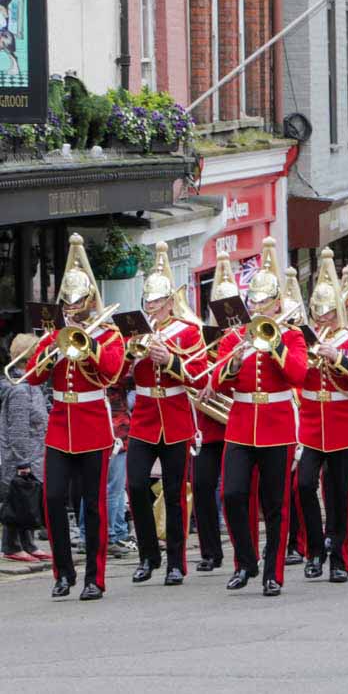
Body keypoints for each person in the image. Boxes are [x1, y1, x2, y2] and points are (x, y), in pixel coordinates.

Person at [28, 234, 126, 600]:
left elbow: (112, 372)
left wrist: (88, 345)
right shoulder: (54, 334)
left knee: (94, 505)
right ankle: (63, 572)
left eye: (76, 303)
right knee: (53, 500)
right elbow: (34, 376)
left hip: (93, 425)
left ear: (89, 301)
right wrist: (51, 351)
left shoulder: (108, 334)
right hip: (60, 427)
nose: (71, 309)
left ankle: (94, 577)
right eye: (66, 304)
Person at [215, 237, 308, 597]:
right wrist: (235, 361)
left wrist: (276, 346)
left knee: (275, 504)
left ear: (277, 304)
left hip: (278, 425)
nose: (256, 309)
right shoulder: (233, 337)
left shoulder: (292, 336)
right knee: (234, 494)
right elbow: (217, 382)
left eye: (262, 302)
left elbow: (298, 375)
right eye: (252, 302)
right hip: (241, 425)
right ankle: (245, 561)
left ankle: (274, 572)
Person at [123, 243, 207, 587]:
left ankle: (176, 561)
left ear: (170, 302)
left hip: (174, 416)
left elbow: (200, 376)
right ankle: (148, 555)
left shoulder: (188, 331)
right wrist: (131, 356)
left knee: (174, 493)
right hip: (143, 417)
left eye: (157, 302)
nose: (152, 308)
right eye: (148, 302)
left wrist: (169, 360)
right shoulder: (136, 330)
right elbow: (118, 375)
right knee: (137, 486)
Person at [294, 249, 348, 584]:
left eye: (326, 315)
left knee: (340, 494)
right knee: (304, 485)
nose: (321, 321)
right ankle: (314, 549)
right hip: (311, 423)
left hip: (342, 423)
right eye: (317, 315)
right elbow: (294, 376)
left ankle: (338, 557)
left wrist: (337, 357)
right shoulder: (300, 337)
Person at [192, 251, 239, 573]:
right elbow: (192, 373)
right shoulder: (201, 339)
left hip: (241, 425)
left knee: (240, 492)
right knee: (202, 486)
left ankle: (244, 549)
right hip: (209, 427)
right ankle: (210, 551)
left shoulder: (248, 337)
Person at [0, 333, 50, 562]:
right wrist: (22, 462)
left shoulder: (31, 385)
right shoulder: (20, 389)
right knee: (18, 500)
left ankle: (28, 544)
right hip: (21, 456)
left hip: (34, 453)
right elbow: (18, 429)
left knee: (28, 500)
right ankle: (11, 546)